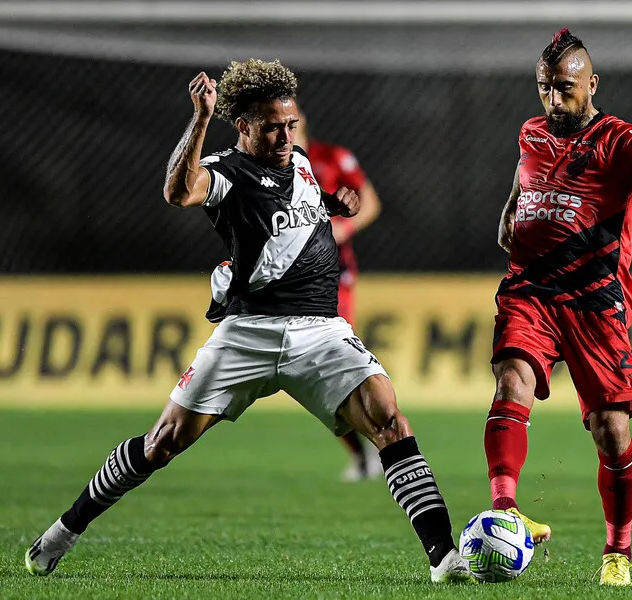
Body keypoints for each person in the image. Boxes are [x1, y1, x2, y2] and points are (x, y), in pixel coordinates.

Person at [24, 58, 474, 584]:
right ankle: (64, 530)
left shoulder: (300, 161)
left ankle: (444, 557)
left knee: (389, 418)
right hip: (248, 334)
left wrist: (336, 203)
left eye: (291, 125)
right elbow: (178, 192)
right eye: (273, 127)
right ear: (242, 125)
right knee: (162, 442)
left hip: (319, 330)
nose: (286, 136)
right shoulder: (227, 172)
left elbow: (296, 213)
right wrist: (200, 118)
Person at [486, 29, 632, 586]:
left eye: (564, 88)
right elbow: (524, 176)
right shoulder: (532, 131)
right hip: (530, 290)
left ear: (592, 83)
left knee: (611, 430)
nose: (553, 100)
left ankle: (618, 551)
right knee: (512, 379)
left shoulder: (619, 139)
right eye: (544, 88)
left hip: (594, 302)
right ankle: (505, 512)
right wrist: (512, 209)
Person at [295, 108, 384, 483]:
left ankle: (384, 443)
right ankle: (365, 453)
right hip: (291, 280)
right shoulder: (266, 168)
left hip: (334, 274)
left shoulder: (332, 157)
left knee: (337, 357)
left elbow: (370, 202)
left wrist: (344, 227)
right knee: (314, 373)